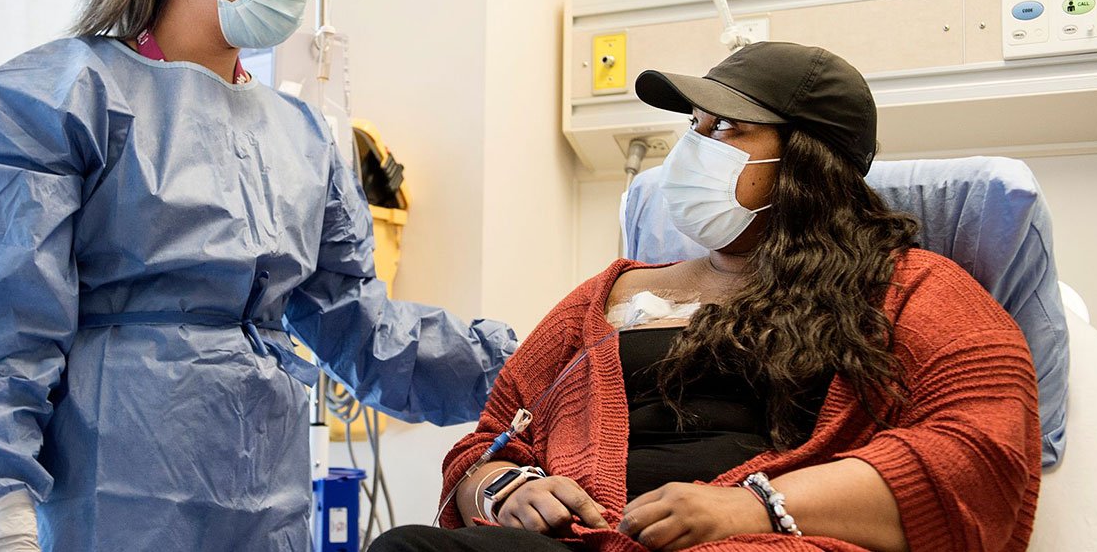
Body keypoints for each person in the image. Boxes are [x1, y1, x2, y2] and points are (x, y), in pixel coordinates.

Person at [0, 0, 516, 552]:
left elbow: (363, 329)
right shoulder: (58, 102)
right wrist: (5, 511)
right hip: (109, 493)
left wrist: (540, 363)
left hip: (266, 497)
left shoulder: (302, 137)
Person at [374, 42, 1040, 552]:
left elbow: (979, 454)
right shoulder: (608, 296)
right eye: (695, 126)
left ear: (808, 159)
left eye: (726, 130)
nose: (694, 148)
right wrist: (505, 489)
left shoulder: (910, 289)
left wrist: (753, 507)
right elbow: (491, 442)